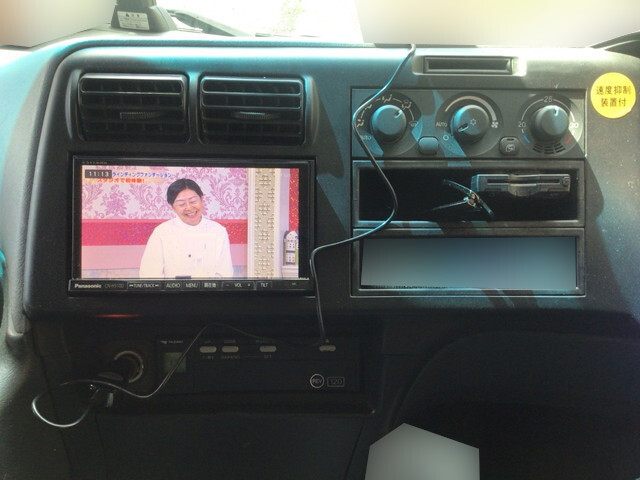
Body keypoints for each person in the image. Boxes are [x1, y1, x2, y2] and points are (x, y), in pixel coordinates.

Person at [139, 178, 233, 278]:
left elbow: (224, 274)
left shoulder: (218, 231)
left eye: (193, 201)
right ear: (172, 207)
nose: (189, 207)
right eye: (181, 204)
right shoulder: (161, 232)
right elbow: (149, 275)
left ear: (201, 199)